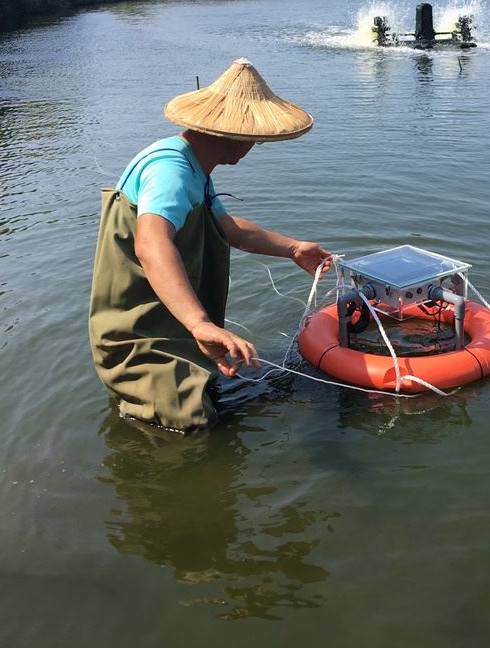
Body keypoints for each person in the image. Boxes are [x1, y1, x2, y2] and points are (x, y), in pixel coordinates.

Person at [89, 58, 330, 432]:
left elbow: (230, 229)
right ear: (234, 135)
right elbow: (151, 244)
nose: (254, 145)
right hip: (141, 335)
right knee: (192, 426)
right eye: (253, 136)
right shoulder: (170, 171)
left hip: (171, 321)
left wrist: (293, 248)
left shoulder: (192, 167)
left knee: (212, 398)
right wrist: (200, 324)